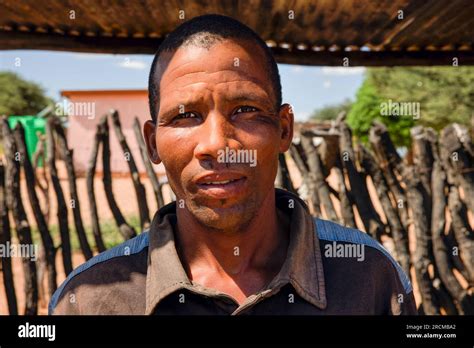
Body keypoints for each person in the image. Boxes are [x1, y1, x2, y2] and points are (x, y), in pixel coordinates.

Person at [49, 14, 416, 315]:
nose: (216, 145)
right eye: (185, 116)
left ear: (284, 130)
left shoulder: (369, 278)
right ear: (151, 143)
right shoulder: (90, 301)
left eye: (245, 110)